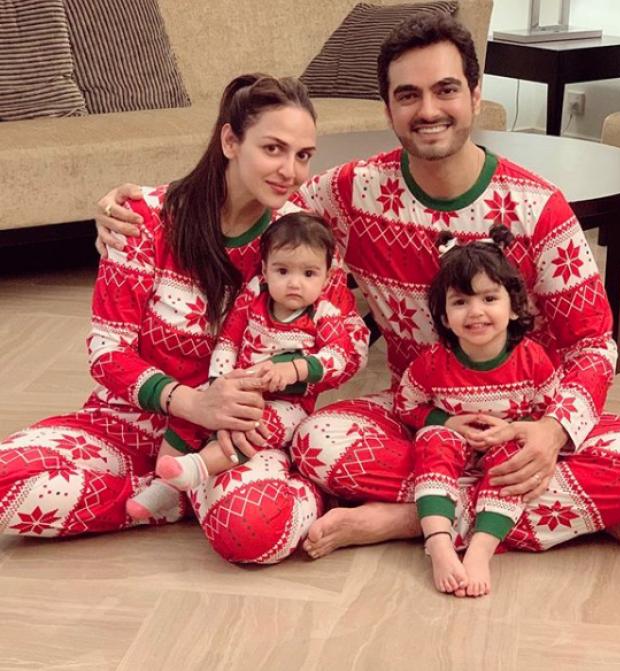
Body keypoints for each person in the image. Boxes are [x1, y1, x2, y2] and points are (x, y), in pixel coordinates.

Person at [94, 14, 620, 561]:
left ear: (475, 95)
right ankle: (553, 507)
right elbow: (257, 201)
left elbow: (594, 345)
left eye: (446, 90)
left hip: (525, 420)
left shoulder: (539, 207)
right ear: (389, 109)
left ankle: (406, 518)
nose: (429, 110)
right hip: (419, 421)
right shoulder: (352, 191)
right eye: (408, 95)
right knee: (316, 440)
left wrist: (552, 432)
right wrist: (144, 205)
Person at [0, 73, 368, 565]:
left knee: (254, 533)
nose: (291, 171)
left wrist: (286, 375)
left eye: (303, 155)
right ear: (230, 141)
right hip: (128, 423)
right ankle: (165, 498)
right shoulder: (144, 219)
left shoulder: (301, 241)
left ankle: (207, 489)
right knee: (5, 485)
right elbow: (107, 353)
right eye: (273, 149)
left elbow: (349, 346)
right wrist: (193, 403)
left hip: (235, 438)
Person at [126, 211, 368, 520]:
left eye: (309, 274)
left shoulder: (323, 313)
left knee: (254, 424)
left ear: (326, 275)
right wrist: (218, 383)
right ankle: (164, 486)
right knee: (192, 409)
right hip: (240, 385)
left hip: (287, 404)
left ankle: (197, 468)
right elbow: (229, 341)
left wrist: (295, 369)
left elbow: (338, 355)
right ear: (265, 270)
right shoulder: (254, 297)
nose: (294, 283)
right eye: (283, 271)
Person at [394, 225, 558, 597]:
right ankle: (439, 543)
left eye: (489, 298)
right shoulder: (432, 363)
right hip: (451, 449)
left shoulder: (532, 360)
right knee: (433, 439)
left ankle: (481, 549)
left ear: (514, 307)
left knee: (515, 457)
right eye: (460, 302)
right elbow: (406, 404)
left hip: (504, 448)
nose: (476, 312)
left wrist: (513, 429)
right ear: (444, 316)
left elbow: (547, 411)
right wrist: (446, 421)